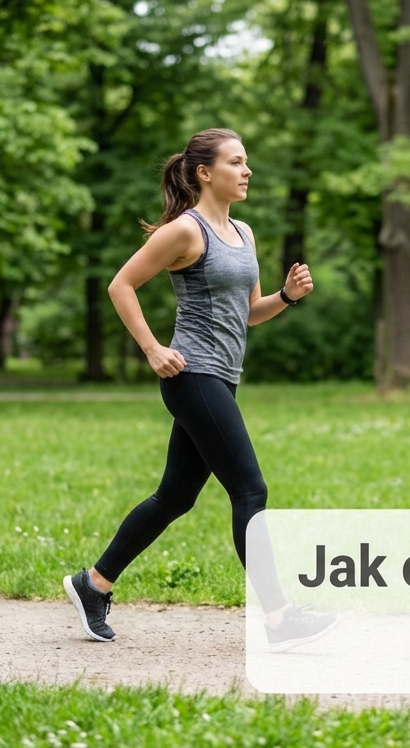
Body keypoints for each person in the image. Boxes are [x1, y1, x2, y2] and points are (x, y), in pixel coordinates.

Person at [63, 128, 334, 650]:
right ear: (206, 173)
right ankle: (279, 618)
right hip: (192, 376)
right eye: (236, 162)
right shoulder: (185, 231)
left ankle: (93, 583)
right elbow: (121, 285)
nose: (247, 170)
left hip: (222, 379)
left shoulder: (244, 232)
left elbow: (249, 313)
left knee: (175, 497)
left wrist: (286, 296)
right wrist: (152, 349)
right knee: (250, 491)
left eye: (246, 161)